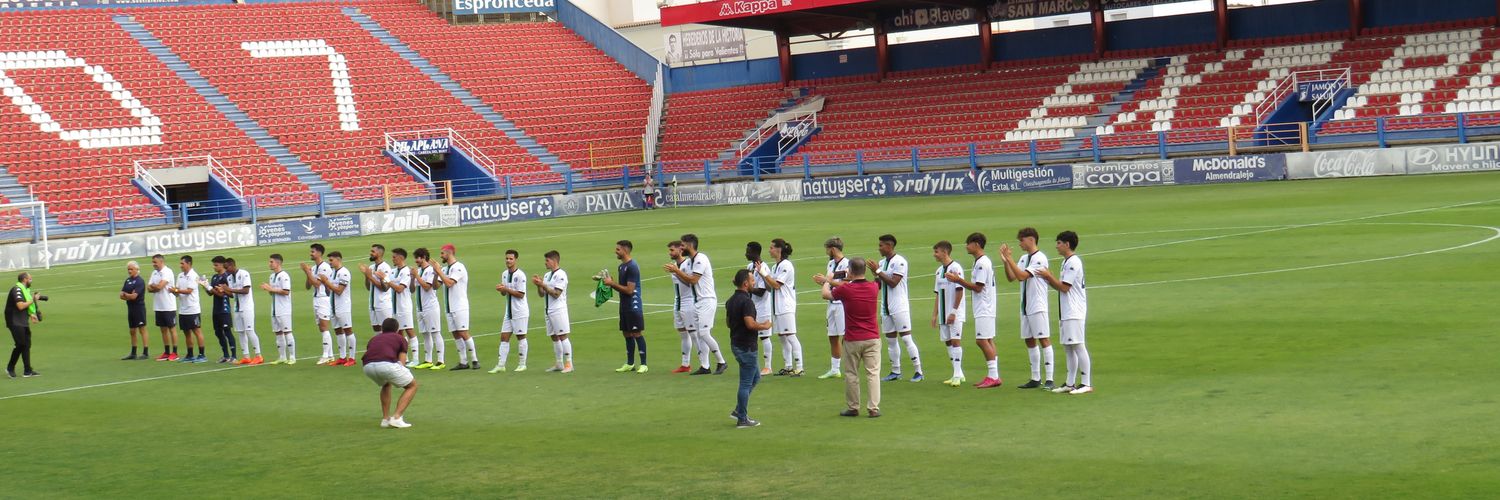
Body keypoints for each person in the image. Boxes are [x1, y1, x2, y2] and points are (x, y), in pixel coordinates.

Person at [817, 257, 880, 417]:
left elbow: (825, 294)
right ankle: (873, 408)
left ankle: (853, 407)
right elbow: (878, 281)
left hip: (853, 338)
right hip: (872, 336)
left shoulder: (846, 289)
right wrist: (876, 271)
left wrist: (828, 280)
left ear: (850, 271)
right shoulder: (873, 287)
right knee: (873, 373)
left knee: (852, 374)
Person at [1035, 231, 1092, 395]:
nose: (1056, 246)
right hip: (1066, 311)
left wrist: (1048, 276)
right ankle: (1070, 383)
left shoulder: (1073, 262)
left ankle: (1086, 383)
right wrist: (1048, 278)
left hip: (1074, 311)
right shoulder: (1066, 262)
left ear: (1067, 244)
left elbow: (1065, 287)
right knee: (1068, 347)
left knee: (1078, 345)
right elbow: (1060, 287)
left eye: (1059, 243)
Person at [1000, 227, 1055, 390]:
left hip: (1037, 305)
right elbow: (1012, 277)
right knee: (1029, 340)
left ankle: (1050, 378)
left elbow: (1022, 276)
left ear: (1031, 239)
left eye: (1022, 240)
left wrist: (1010, 258)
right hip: (1025, 306)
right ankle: (1035, 377)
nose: (1020, 244)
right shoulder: (1024, 258)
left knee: (1043, 338)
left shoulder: (1040, 258)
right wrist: (1006, 262)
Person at [945, 233, 1002, 388]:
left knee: (982, 340)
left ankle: (993, 376)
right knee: (988, 340)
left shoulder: (981, 263)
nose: (966, 246)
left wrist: (958, 280)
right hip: (987, 306)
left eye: (968, 243)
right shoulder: (982, 261)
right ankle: (994, 375)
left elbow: (978, 287)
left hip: (984, 307)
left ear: (976, 244)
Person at [665, 233, 726, 375]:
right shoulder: (688, 263)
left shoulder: (701, 259)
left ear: (690, 245)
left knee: (703, 333)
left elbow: (693, 280)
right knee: (700, 335)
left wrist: (677, 271)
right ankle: (705, 366)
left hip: (707, 300)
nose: (681, 248)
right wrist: (677, 273)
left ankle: (721, 361)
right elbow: (687, 282)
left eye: (682, 245)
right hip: (698, 301)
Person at [726, 269, 771, 428]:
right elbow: (750, 324)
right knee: (746, 383)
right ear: (745, 283)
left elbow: (728, 323)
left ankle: (739, 410)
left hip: (736, 343)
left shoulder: (731, 300)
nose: (754, 283)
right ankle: (742, 418)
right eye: (752, 280)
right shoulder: (747, 302)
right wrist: (764, 326)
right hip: (746, 346)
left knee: (755, 377)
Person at [874, 235, 922, 382]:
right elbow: (879, 285)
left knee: (906, 338)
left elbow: (893, 282)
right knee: (890, 340)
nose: (879, 248)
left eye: (881, 245)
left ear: (889, 246)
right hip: (885, 307)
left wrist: (878, 272)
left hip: (899, 306)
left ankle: (918, 371)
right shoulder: (882, 263)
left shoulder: (900, 261)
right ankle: (895, 371)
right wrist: (875, 275)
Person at [362, 318, 418, 429]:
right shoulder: (400, 338)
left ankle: (385, 419)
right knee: (412, 385)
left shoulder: (374, 339)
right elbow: (402, 362)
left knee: (386, 384)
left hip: (367, 366)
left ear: (382, 329)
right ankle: (397, 418)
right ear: (397, 329)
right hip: (385, 365)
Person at [603, 240, 648, 374]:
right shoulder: (621, 266)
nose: (615, 251)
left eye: (618, 249)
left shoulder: (632, 266)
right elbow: (622, 287)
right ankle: (630, 363)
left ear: (625, 250)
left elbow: (629, 290)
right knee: (626, 333)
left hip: (633, 305)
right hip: (624, 305)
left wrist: (612, 284)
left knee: (636, 333)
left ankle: (644, 364)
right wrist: (610, 282)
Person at [434, 244, 477, 370]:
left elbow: (449, 283)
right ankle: (463, 361)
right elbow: (436, 286)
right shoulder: (445, 269)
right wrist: (436, 273)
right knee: (455, 334)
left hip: (459, 306)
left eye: (442, 253)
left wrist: (439, 271)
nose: (441, 256)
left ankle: (475, 359)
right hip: (449, 307)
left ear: (449, 253)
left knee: (463, 332)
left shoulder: (458, 267)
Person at [763, 238, 801, 376]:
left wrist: (764, 274)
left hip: (785, 306)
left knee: (790, 336)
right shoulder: (775, 267)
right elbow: (770, 287)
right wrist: (763, 275)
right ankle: (788, 366)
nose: (769, 250)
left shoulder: (786, 265)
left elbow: (777, 285)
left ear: (779, 249)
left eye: (771, 247)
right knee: (782, 337)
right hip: (777, 307)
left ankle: (800, 367)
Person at [931, 241, 966, 386]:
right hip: (943, 313)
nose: (934, 254)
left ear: (945, 252)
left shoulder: (956, 268)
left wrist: (954, 312)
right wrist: (935, 314)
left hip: (954, 313)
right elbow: (938, 294)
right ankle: (958, 374)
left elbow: (960, 291)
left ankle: (957, 375)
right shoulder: (939, 271)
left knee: (956, 341)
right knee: (948, 341)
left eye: (936, 252)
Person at [532, 250, 572, 373]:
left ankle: (569, 364)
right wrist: (539, 285)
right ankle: (559, 363)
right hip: (548, 310)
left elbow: (556, 294)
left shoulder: (561, 275)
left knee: (562, 336)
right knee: (554, 337)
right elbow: (541, 294)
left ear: (554, 261)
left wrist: (543, 285)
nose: (545, 263)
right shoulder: (547, 275)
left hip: (558, 310)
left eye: (547, 260)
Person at [490, 249, 529, 373]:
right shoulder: (504, 274)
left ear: (515, 260)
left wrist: (506, 289)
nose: (508, 261)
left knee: (520, 337)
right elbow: (504, 294)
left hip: (520, 311)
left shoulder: (520, 275)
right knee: (504, 337)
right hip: (509, 311)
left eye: (511, 259)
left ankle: (522, 364)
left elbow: (521, 294)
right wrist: (501, 290)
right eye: (507, 258)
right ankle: (501, 365)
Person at [818, 238, 850, 379]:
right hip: (831, 303)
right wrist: (823, 282)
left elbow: (846, 285)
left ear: (832, 249)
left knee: (845, 337)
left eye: (827, 249)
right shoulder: (831, 263)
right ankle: (835, 369)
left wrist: (827, 280)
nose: (826, 252)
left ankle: (849, 366)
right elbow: (830, 283)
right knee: (832, 336)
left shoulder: (847, 263)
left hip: (842, 304)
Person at [300, 243, 336, 365]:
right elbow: (308, 286)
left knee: (324, 327)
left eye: (313, 252)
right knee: (321, 328)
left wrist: (307, 271)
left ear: (320, 253)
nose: (311, 254)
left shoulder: (324, 267)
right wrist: (308, 273)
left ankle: (325, 355)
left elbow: (317, 284)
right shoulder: (315, 268)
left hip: (324, 299)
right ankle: (330, 355)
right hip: (316, 298)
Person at [411, 248, 446, 370]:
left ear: (424, 257)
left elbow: (427, 287)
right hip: (420, 307)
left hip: (430, 307)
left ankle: (440, 361)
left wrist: (416, 276)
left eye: (417, 258)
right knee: (425, 334)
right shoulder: (419, 271)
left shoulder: (430, 270)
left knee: (435, 333)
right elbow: (412, 290)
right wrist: (412, 278)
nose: (416, 260)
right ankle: (428, 360)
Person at [666, 241, 697, 373]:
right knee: (683, 334)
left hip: (688, 302)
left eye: (672, 250)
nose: (670, 253)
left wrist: (676, 272)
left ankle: (704, 363)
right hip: (677, 302)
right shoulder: (674, 265)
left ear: (680, 250)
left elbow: (690, 283)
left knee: (694, 334)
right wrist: (675, 271)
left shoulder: (688, 264)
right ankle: (685, 364)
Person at [744, 241, 774, 375]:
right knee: (750, 336)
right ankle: (752, 365)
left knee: (764, 337)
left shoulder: (763, 268)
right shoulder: (749, 266)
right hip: (751, 306)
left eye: (748, 251)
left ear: (755, 252)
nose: (746, 254)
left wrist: (747, 288)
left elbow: (762, 291)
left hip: (762, 307)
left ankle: (768, 366)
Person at [261, 254, 296, 365]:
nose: (269, 264)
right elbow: (272, 293)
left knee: (287, 332)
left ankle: (292, 357)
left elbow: (286, 291)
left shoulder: (284, 276)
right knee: (278, 333)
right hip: (274, 308)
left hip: (284, 309)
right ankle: (282, 357)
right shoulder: (272, 276)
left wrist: (271, 289)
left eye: (271, 262)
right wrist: (268, 289)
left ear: (278, 263)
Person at [227, 258, 263, 365]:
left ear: (232, 265)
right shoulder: (229, 278)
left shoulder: (244, 274)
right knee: (240, 332)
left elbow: (246, 290)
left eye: (227, 267)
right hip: (237, 308)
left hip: (247, 307)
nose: (226, 270)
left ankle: (258, 355)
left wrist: (229, 289)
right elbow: (232, 295)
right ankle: (246, 356)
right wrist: (224, 291)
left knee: (250, 330)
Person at [171, 255, 206, 363]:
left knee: (197, 331)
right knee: (186, 332)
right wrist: (173, 291)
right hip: (183, 309)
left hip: (193, 308)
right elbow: (177, 291)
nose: (180, 265)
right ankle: (190, 354)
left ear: (189, 263)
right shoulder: (180, 275)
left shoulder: (194, 275)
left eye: (182, 263)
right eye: (180, 263)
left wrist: (176, 291)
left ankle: (202, 354)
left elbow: (189, 291)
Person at [7, 272, 41, 378]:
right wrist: (33, 300)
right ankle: (10, 368)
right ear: (25, 279)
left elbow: (25, 307)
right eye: (30, 279)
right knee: (21, 344)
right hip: (14, 321)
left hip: (22, 321)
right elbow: (20, 306)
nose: (31, 280)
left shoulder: (25, 290)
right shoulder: (17, 289)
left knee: (26, 344)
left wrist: (31, 314)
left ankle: (27, 371)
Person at [387, 249, 417, 367]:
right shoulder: (394, 271)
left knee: (409, 331)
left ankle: (415, 359)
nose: (392, 259)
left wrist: (386, 280)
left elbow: (400, 289)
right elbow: (387, 285)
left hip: (404, 307)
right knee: (399, 333)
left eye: (394, 257)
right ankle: (405, 358)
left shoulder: (406, 272)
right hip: (395, 307)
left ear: (401, 258)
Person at [147, 254, 179, 361]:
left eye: (155, 262)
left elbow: (159, 287)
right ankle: (166, 352)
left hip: (168, 306)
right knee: (163, 330)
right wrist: (155, 287)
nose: (153, 264)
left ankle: (175, 352)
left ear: (161, 262)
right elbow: (149, 288)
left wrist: (155, 286)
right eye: (153, 262)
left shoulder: (167, 272)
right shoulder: (154, 273)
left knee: (172, 329)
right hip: (158, 306)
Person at [207, 256, 237, 363]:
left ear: (222, 265)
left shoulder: (227, 277)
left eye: (216, 265)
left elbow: (222, 294)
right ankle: (225, 355)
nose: (214, 267)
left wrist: (210, 288)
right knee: (218, 332)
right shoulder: (215, 277)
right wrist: (205, 286)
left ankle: (234, 356)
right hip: (216, 309)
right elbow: (210, 293)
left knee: (227, 331)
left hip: (224, 309)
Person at [361, 244, 395, 337]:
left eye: (373, 251)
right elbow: (368, 287)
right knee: (376, 331)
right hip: (372, 305)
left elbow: (385, 288)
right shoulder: (371, 267)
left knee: (388, 332)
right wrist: (366, 276)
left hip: (383, 305)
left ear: (379, 253)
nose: (370, 253)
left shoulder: (385, 268)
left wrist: (370, 277)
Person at [328, 251, 355, 366]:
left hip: (343, 306)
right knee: (338, 330)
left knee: (348, 330)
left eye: (331, 260)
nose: (329, 262)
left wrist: (325, 282)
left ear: (338, 260)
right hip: (333, 306)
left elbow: (339, 291)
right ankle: (342, 357)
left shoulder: (344, 273)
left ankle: (352, 358)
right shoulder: (332, 273)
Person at [120, 261, 149, 360]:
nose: (129, 271)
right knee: (132, 330)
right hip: (131, 308)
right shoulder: (128, 280)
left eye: (131, 269)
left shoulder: (139, 281)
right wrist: (128, 295)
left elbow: (134, 296)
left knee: (142, 329)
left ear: (137, 269)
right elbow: (121, 295)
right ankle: (133, 353)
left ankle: (145, 352)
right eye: (128, 269)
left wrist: (127, 295)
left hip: (139, 308)